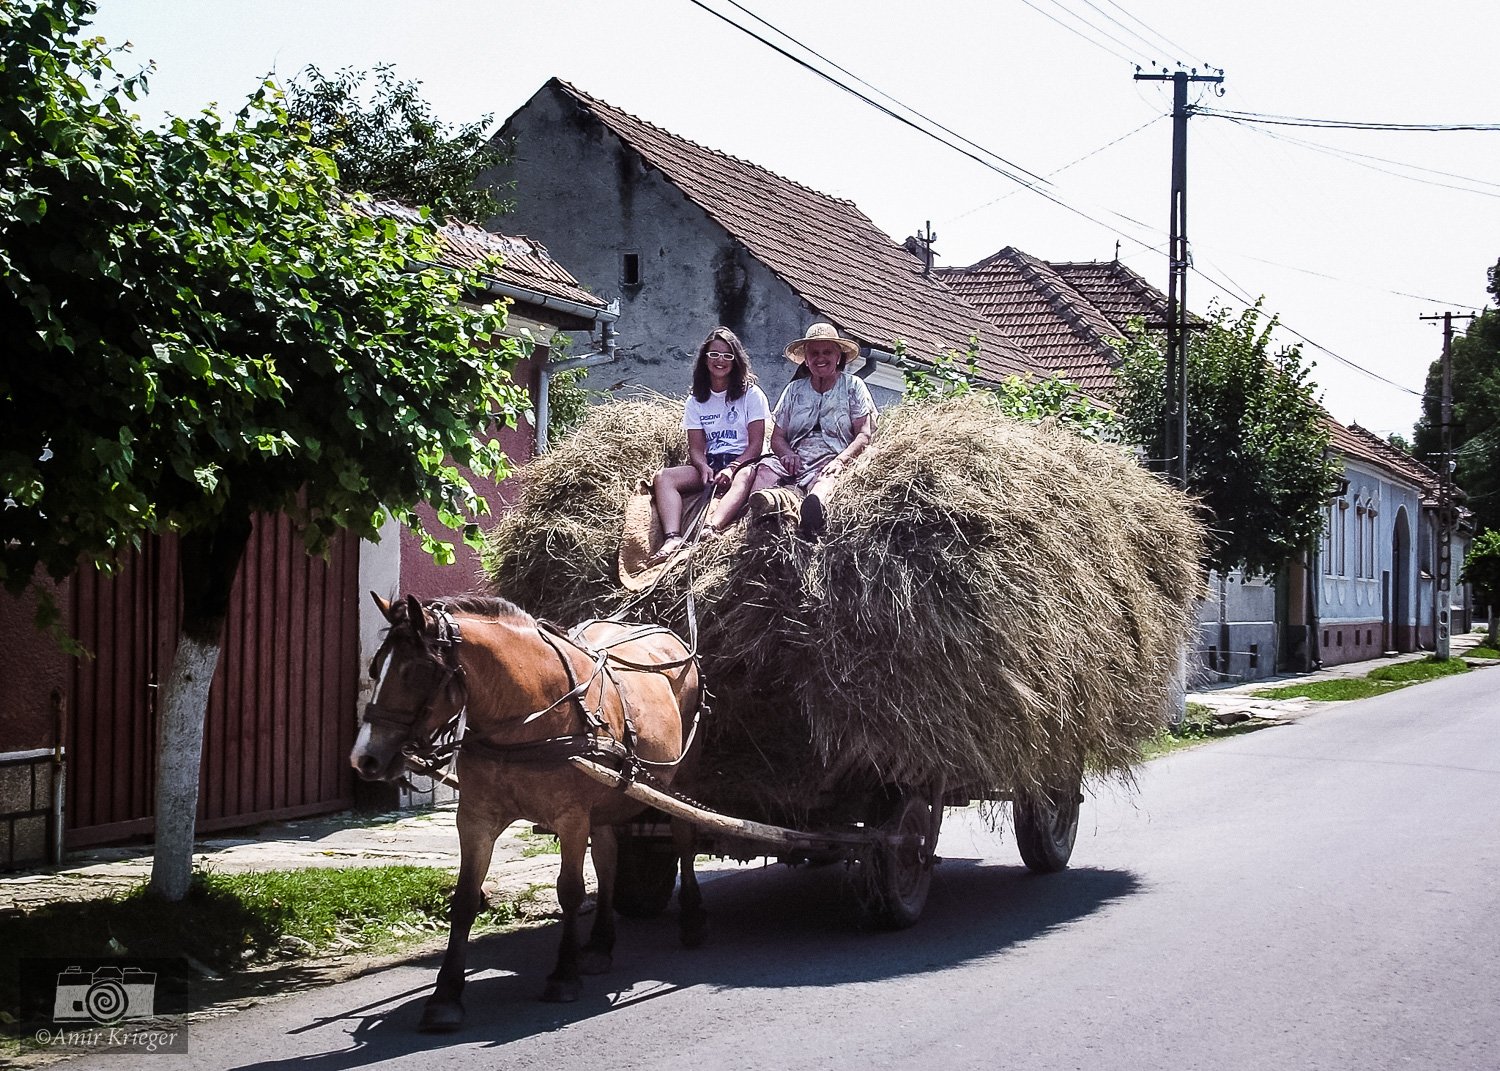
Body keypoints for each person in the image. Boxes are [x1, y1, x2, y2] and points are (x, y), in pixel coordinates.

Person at [648, 327, 771, 563]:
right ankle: (672, 536)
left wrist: (732, 468)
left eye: (727, 355)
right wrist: (702, 466)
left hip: (745, 460)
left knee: (744, 476)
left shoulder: (752, 395)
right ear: (705, 359)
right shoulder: (696, 401)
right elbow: (695, 447)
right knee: (664, 477)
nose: (720, 361)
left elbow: (756, 445)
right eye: (714, 354)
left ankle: (711, 527)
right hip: (713, 462)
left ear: (736, 360)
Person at [751, 322, 876, 538]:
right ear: (806, 360)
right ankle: (756, 514)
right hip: (796, 457)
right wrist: (787, 454)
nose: (820, 358)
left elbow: (864, 434)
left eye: (827, 352)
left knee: (827, 479)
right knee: (765, 469)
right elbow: (778, 437)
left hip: (834, 454)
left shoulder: (853, 386)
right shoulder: (794, 390)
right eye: (814, 353)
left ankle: (813, 514)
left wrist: (840, 461)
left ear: (839, 357)